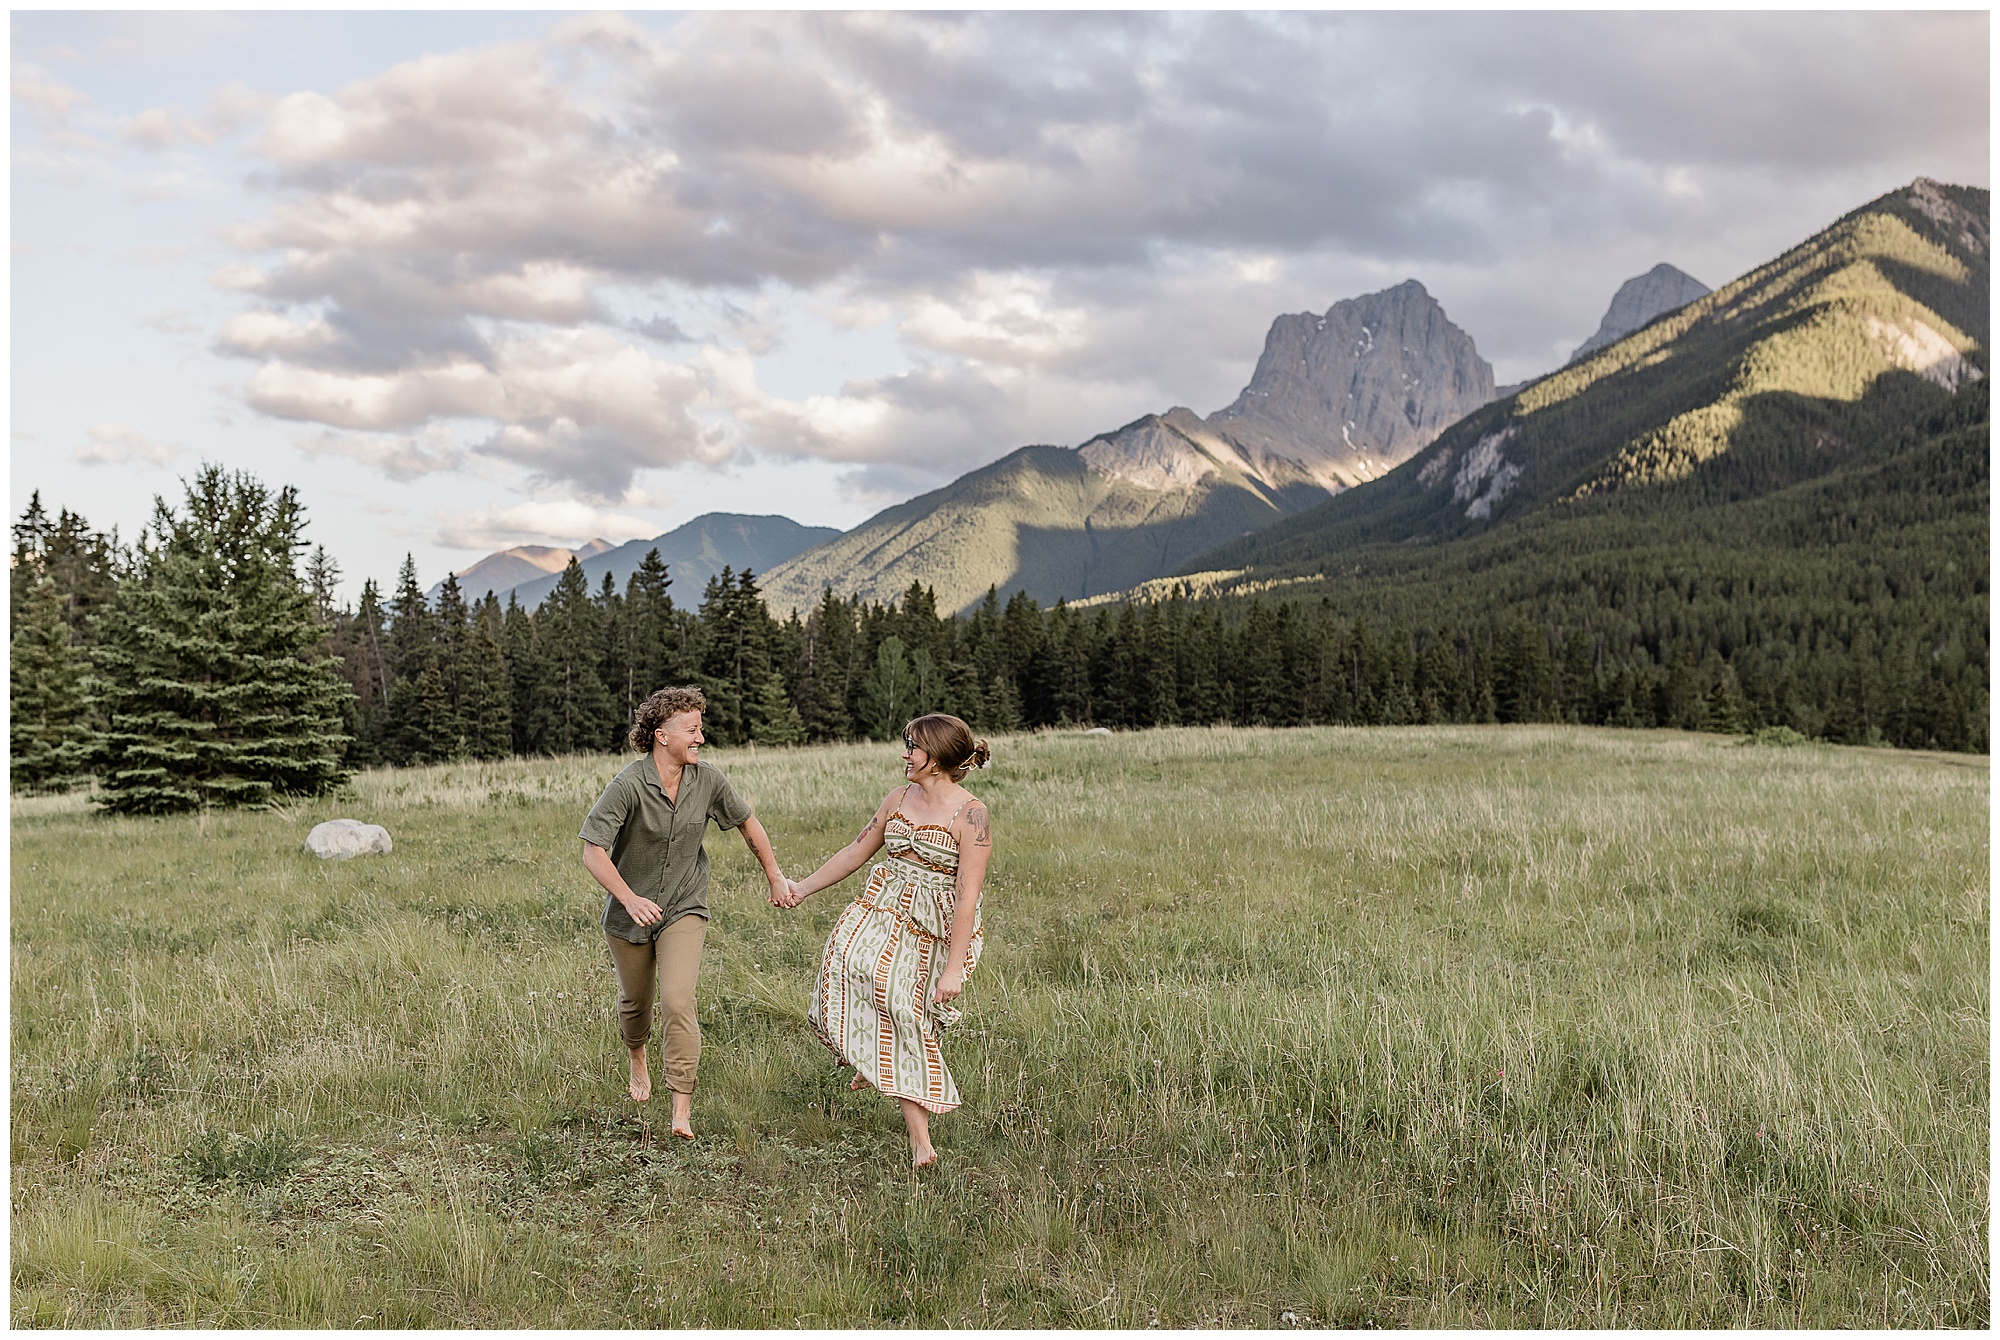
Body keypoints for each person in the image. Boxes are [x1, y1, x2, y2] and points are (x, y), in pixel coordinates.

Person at [777, 713, 992, 1168]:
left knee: (904, 1016)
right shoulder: (898, 797)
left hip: (932, 929)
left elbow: (968, 898)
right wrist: (801, 887)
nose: (905, 754)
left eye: (913, 746)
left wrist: (953, 969)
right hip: (881, 910)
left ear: (936, 758)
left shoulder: (972, 815)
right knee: (841, 969)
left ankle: (920, 1142)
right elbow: (857, 851)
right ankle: (873, 1063)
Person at [580, 685, 788, 1139]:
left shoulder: (707, 780)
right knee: (636, 1004)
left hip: (684, 906)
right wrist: (629, 897)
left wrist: (774, 875)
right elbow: (593, 851)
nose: (700, 737)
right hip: (629, 915)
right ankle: (638, 1055)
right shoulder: (629, 784)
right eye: (692, 729)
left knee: (677, 999)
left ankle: (680, 1108)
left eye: (700, 727)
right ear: (661, 735)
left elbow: (746, 821)